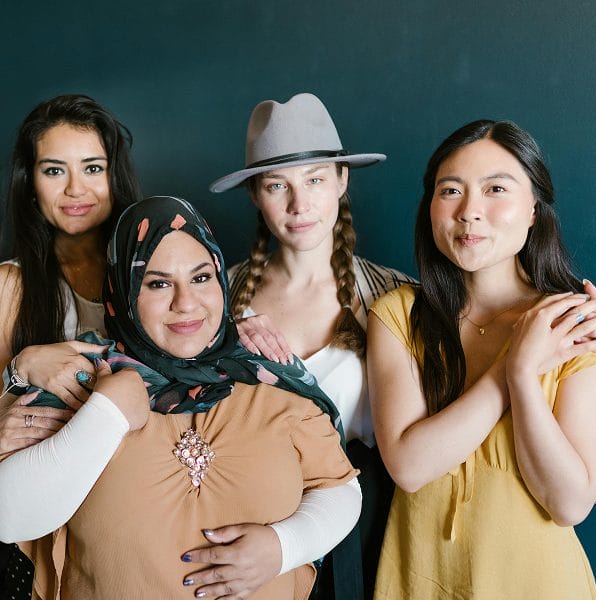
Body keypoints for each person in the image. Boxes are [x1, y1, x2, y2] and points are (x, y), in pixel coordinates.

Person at [0, 195, 361, 599]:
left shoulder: (269, 371)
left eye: (201, 278)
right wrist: (108, 412)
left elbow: (340, 487)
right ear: (123, 291)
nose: (186, 303)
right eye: (157, 283)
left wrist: (283, 546)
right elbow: (9, 517)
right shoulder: (72, 377)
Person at [367, 119, 596, 599]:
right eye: (450, 190)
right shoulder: (397, 316)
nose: (470, 212)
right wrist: (513, 365)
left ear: (534, 208)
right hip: (420, 581)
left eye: (496, 189)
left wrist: (522, 375)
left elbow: (570, 503)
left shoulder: (574, 323)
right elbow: (409, 466)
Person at [209, 92, 414, 597]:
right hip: (247, 522)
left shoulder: (393, 296)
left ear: (342, 181)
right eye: (277, 186)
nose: (299, 206)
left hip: (365, 528)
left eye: (316, 180)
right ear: (256, 194)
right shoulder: (216, 300)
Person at [0, 93, 142, 598]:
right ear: (29, 182)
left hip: (139, 516)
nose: (76, 189)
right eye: (54, 170)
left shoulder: (156, 279)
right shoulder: (9, 286)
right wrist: (18, 369)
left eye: (93, 168)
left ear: (114, 177)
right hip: (33, 533)